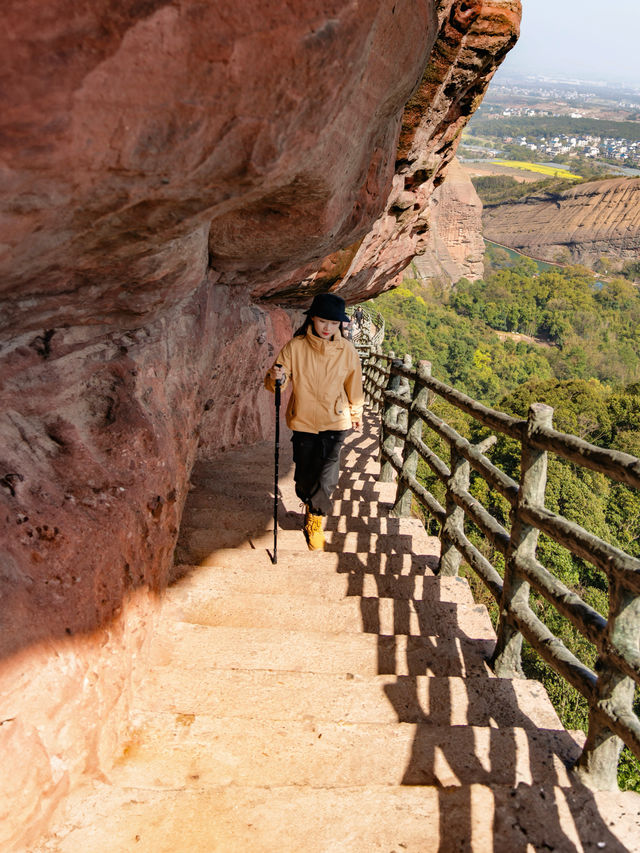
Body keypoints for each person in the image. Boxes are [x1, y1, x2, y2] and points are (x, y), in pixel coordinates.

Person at [264, 293, 364, 551]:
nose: (327, 327)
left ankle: (316, 519)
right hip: (304, 420)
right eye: (322, 321)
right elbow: (276, 383)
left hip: (335, 420)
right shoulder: (295, 347)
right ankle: (307, 500)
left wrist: (355, 413)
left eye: (333, 323)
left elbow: (353, 386)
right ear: (313, 319)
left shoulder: (347, 351)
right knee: (305, 475)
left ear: (340, 324)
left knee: (327, 474)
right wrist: (277, 377)